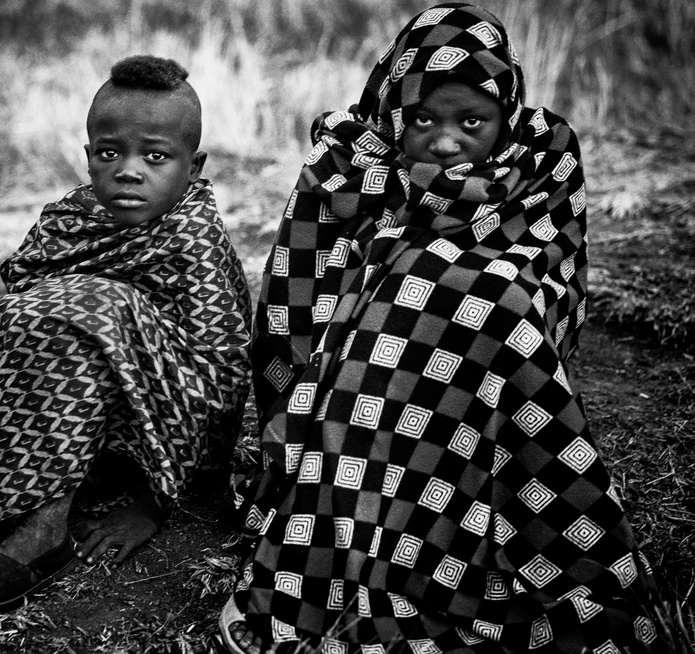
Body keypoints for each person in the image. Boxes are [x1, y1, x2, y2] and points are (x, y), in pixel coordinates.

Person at [216, 4, 662, 653]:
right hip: (373, 374)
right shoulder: (348, 159)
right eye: (424, 119)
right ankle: (357, 549)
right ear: (395, 108)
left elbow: (552, 268)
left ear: (505, 113)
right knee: (406, 301)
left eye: (471, 121)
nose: (447, 141)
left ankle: (501, 540)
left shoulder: (546, 155)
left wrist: (453, 279)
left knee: (486, 302)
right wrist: (399, 272)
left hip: (492, 347)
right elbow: (301, 290)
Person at [0, 55, 251, 620]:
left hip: (156, 435)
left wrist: (152, 505)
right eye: (108, 152)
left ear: (193, 167)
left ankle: (41, 533)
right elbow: (23, 307)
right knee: (22, 311)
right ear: (89, 155)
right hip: (70, 426)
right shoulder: (68, 221)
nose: (128, 170)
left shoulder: (193, 239)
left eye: (156, 156)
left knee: (93, 305)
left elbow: (222, 378)